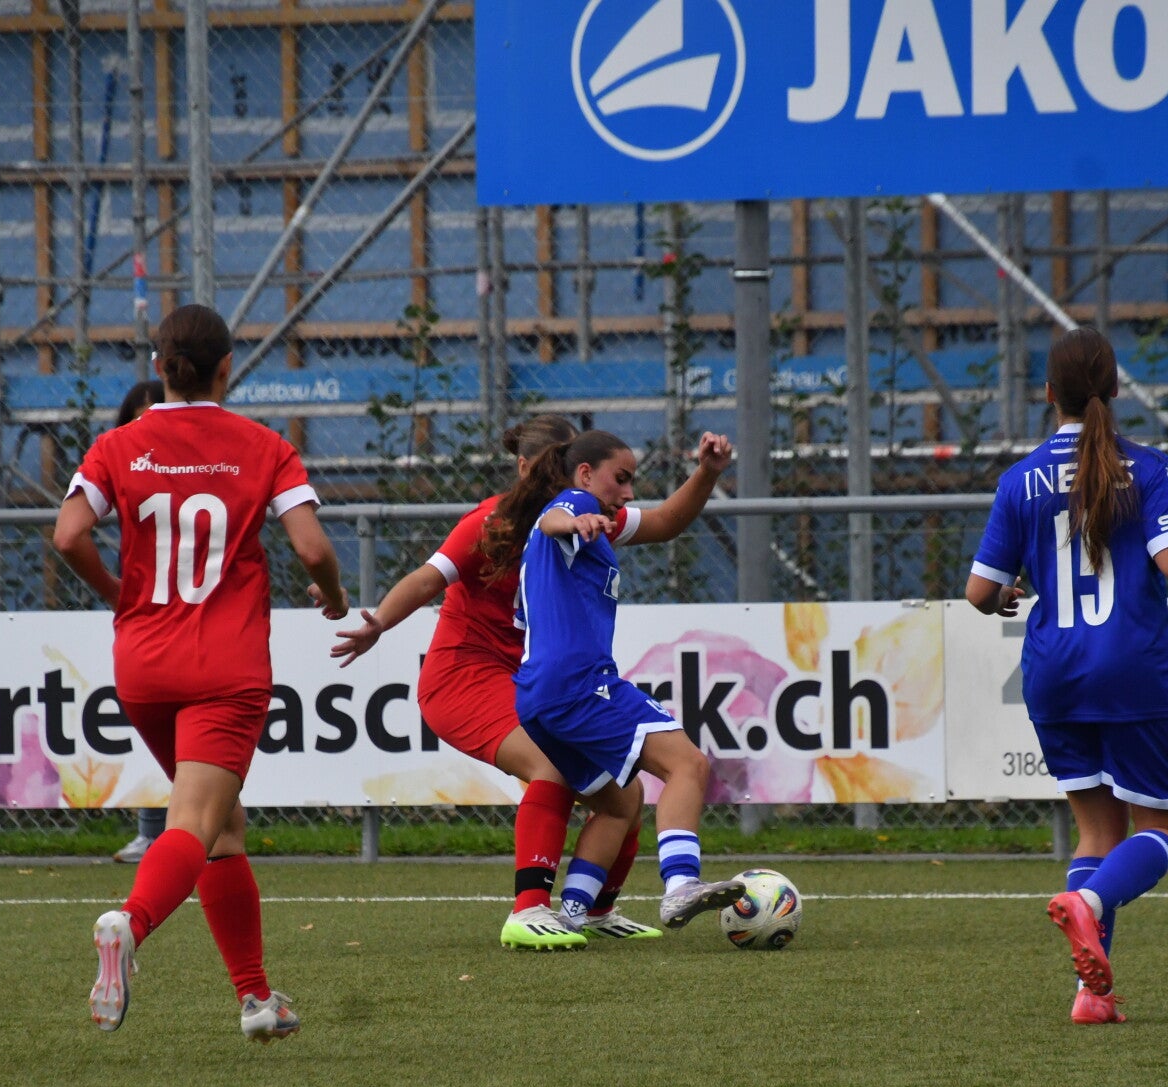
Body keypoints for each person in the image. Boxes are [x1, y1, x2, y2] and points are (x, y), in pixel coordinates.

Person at [53, 303, 349, 1040]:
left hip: (144, 666)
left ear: (159, 367)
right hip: (224, 666)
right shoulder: (263, 446)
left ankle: (258, 1000)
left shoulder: (118, 444)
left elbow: (68, 536)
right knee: (195, 820)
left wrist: (120, 595)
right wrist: (335, 596)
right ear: (227, 370)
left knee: (223, 826)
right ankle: (130, 924)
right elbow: (312, 549)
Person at [331, 416, 734, 949]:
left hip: (528, 679)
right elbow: (429, 578)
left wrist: (706, 473)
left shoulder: (588, 510)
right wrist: (378, 623)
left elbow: (664, 521)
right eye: (553, 467)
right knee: (554, 768)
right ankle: (528, 910)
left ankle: (590, 910)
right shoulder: (505, 521)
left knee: (624, 793)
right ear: (531, 467)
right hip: (464, 677)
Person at [966, 326, 1168, 1024]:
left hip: (1053, 675)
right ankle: (1089, 903)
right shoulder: (1143, 467)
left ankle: (1093, 995)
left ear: (1047, 393)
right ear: (1115, 390)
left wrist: (1005, 598)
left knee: (1096, 833)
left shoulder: (1019, 480)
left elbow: (978, 592)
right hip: (1132, 670)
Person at [507, 428, 744, 931]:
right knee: (688, 764)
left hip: (538, 697)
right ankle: (680, 886)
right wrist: (575, 518)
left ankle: (574, 914)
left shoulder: (580, 529)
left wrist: (707, 473)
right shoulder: (574, 507)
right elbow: (553, 518)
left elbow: (667, 521)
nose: (629, 492)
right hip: (578, 686)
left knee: (619, 803)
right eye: (621, 478)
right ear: (585, 473)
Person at [104, 377, 171, 867]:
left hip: (192, 618)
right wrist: (120, 596)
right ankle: (154, 831)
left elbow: (68, 536)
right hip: (146, 619)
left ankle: (165, 837)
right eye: (135, 422)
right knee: (158, 723)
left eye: (154, 419)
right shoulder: (123, 467)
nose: (145, 433)